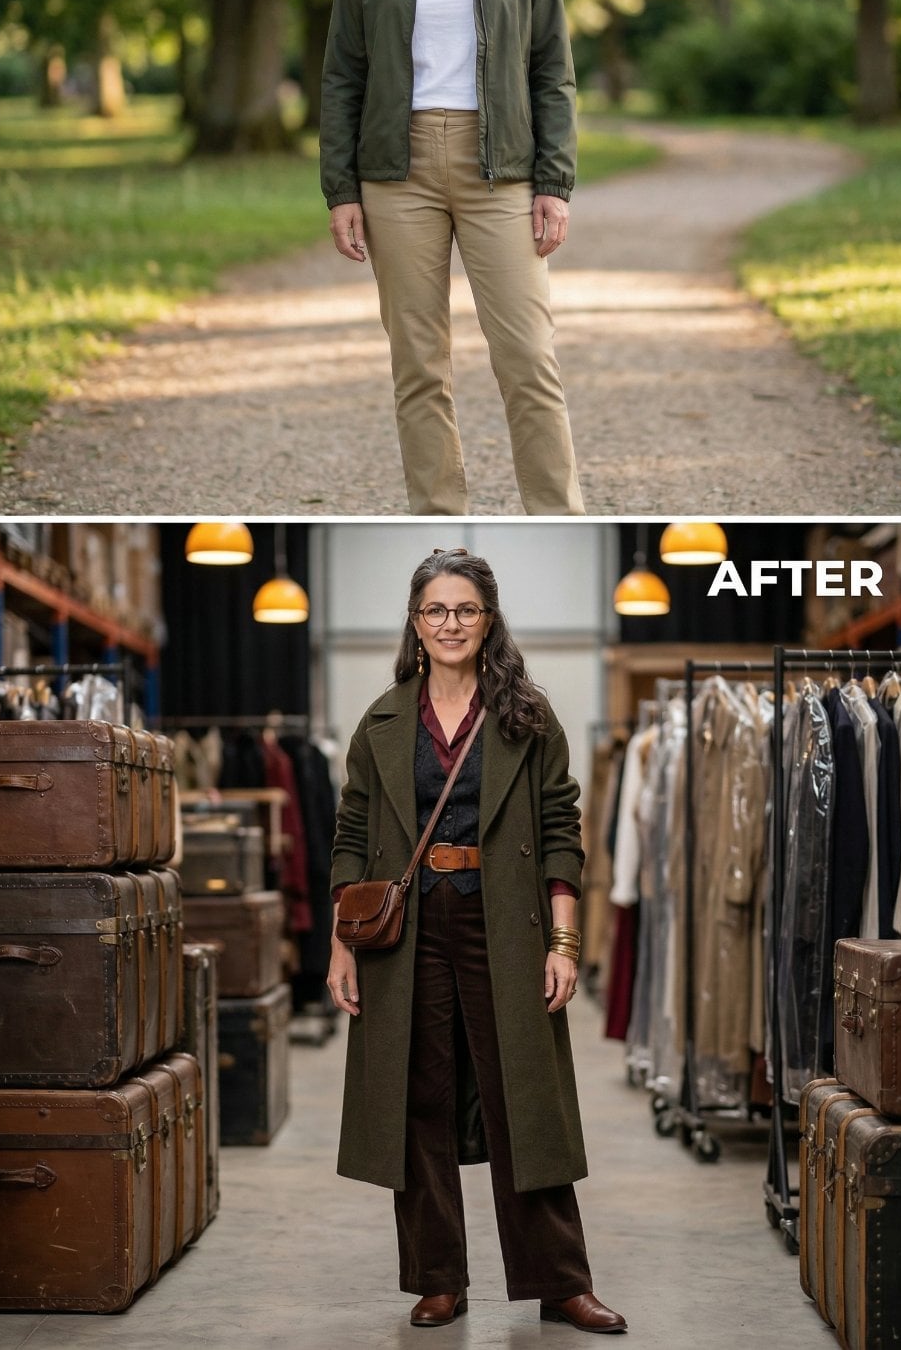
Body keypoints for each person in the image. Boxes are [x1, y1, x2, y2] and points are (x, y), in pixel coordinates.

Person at [327, 547, 627, 1334]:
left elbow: (563, 830)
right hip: (408, 930)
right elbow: (352, 834)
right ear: (416, 623)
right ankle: (438, 1279)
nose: (450, 623)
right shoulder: (385, 719)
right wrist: (341, 946)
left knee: (521, 1103)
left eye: (465, 609)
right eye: (436, 610)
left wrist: (564, 943)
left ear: (488, 620)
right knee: (418, 1098)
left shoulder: (528, 715)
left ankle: (561, 1283)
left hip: (508, 925)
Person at [320, 0, 584, 518]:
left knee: (529, 358)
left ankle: (556, 515)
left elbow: (550, 70)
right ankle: (440, 522)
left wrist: (554, 183)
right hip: (394, 170)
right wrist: (342, 188)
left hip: (499, 163)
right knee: (419, 366)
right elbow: (343, 74)